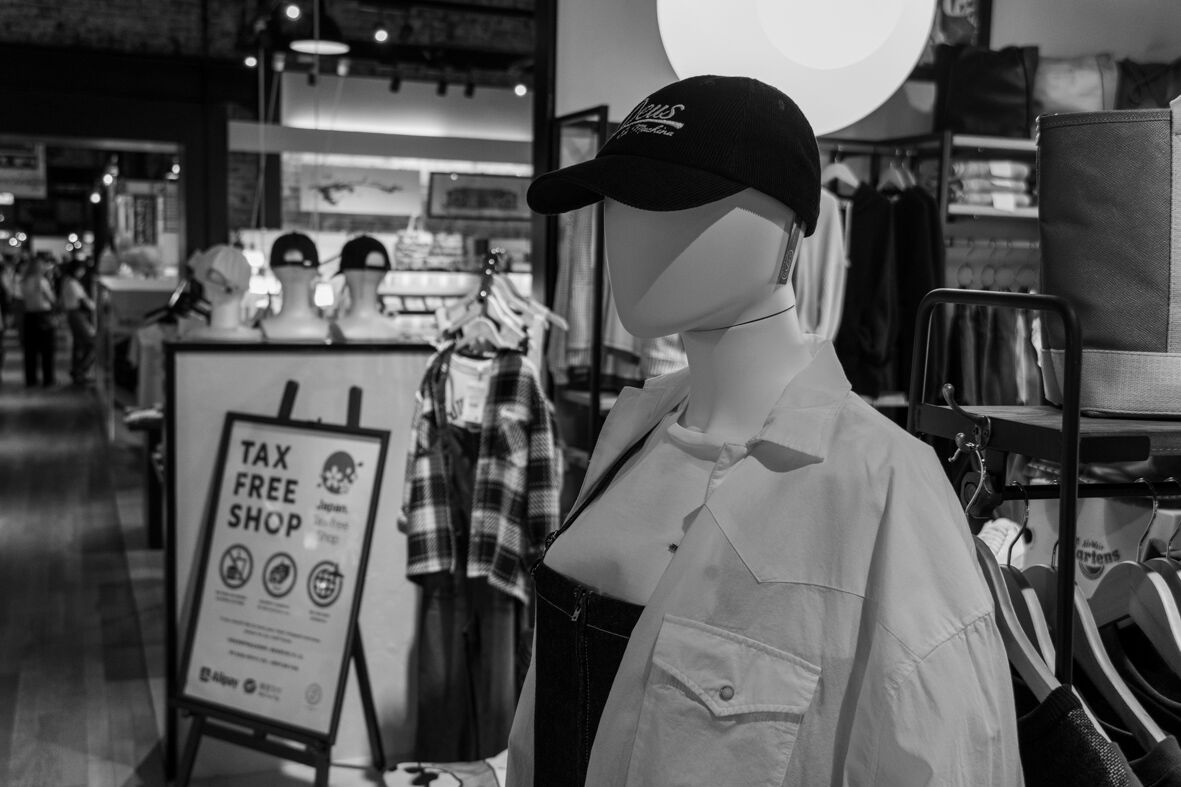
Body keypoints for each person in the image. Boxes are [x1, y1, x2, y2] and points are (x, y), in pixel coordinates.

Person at [508, 76, 1022, 785]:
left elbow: (954, 760)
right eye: (615, 199)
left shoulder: (882, 488)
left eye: (669, 198)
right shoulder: (634, 431)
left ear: (785, 230)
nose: (625, 228)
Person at [20, 255, 57, 387]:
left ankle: (31, 379)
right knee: (47, 350)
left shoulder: (24, 281)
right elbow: (51, 298)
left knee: (30, 351)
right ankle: (48, 379)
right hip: (43, 315)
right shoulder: (41, 281)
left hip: (29, 316)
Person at [61, 260, 96, 383]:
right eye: (81, 269)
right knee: (91, 343)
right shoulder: (72, 283)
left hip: (73, 314)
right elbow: (83, 301)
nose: (83, 272)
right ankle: (81, 369)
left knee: (79, 344)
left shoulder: (68, 281)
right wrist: (94, 307)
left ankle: (77, 371)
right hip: (77, 314)